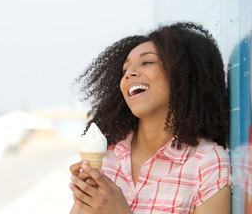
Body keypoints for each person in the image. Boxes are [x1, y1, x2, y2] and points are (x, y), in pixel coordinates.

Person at [69, 22, 231, 214]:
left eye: (147, 62)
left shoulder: (208, 163)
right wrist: (83, 197)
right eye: (125, 70)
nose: (130, 73)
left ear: (183, 74)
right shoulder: (107, 151)